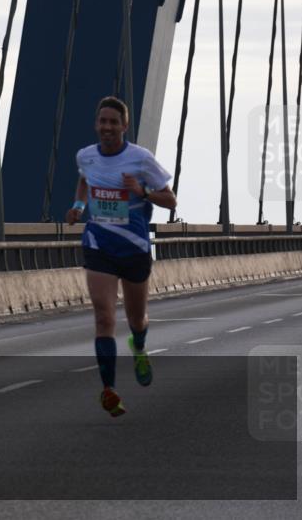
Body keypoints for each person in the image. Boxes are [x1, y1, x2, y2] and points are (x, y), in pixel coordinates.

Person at [65, 96, 177, 417]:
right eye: (103, 121)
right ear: (96, 125)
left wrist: (142, 193)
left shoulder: (141, 160)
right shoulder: (85, 156)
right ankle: (109, 390)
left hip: (135, 248)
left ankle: (139, 347)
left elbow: (170, 200)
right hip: (98, 245)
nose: (108, 127)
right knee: (103, 317)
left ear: (124, 126)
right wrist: (79, 207)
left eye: (114, 122)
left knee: (135, 320)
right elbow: (84, 183)